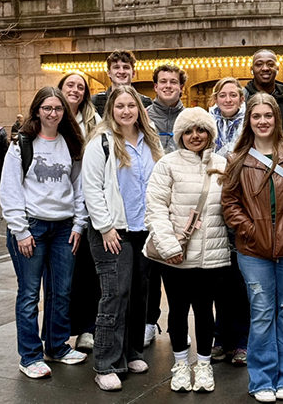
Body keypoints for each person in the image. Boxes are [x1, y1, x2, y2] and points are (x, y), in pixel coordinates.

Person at [221, 93, 283, 402]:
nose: (263, 121)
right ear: (248, 120)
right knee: (262, 312)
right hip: (253, 250)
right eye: (257, 116)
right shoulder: (238, 159)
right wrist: (250, 230)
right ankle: (262, 379)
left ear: (277, 118)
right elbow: (230, 203)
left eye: (268, 115)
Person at [0, 87, 88, 379]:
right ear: (37, 110)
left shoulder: (71, 142)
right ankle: (30, 356)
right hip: (32, 227)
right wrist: (20, 231)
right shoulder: (21, 144)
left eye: (58, 108)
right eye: (47, 108)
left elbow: (78, 187)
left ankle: (57, 346)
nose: (53, 113)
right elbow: (10, 190)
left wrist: (79, 224)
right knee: (29, 294)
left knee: (61, 291)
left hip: (64, 227)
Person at [82, 85, 163, 391]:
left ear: (139, 110)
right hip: (113, 231)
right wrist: (105, 227)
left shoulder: (150, 140)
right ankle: (106, 364)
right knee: (114, 295)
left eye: (131, 106)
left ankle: (131, 353)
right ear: (111, 110)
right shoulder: (100, 143)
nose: (126, 111)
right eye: (120, 106)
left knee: (139, 294)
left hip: (143, 230)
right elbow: (91, 188)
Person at [144, 107, 230, 393]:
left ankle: (204, 365)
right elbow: (156, 208)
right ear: (180, 135)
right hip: (176, 255)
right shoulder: (167, 164)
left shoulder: (222, 164)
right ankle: (180, 364)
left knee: (205, 311)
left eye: (201, 130)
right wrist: (169, 247)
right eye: (189, 131)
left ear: (210, 133)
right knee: (178, 311)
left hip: (212, 254)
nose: (195, 136)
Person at [57, 73, 101, 351]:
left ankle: (87, 328)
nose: (75, 90)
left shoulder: (93, 120)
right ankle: (58, 332)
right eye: (69, 85)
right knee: (61, 278)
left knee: (88, 270)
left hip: (88, 202)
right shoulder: (49, 117)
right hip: (58, 207)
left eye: (80, 87)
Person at [144, 63, 186, 347]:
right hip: (152, 200)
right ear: (156, 86)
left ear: (181, 87)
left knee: (180, 270)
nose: (168, 86)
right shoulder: (143, 117)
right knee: (150, 269)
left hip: (183, 203)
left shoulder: (190, 116)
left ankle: (178, 326)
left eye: (173, 81)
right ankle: (149, 321)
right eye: (163, 81)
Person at [208, 77, 249, 365]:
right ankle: (220, 338)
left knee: (241, 280)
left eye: (233, 95)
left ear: (241, 98)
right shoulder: (206, 123)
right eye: (223, 95)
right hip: (214, 204)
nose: (228, 99)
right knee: (219, 280)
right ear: (216, 98)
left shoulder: (250, 123)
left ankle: (242, 341)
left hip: (243, 202)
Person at [243, 50, 283, 140]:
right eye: (259, 64)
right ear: (251, 69)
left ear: (277, 69)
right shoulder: (242, 100)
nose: (265, 68)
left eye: (270, 64)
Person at [91, 50, 152, 116]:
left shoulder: (146, 103)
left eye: (126, 67)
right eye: (116, 67)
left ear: (133, 73)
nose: (121, 71)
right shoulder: (94, 102)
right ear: (109, 73)